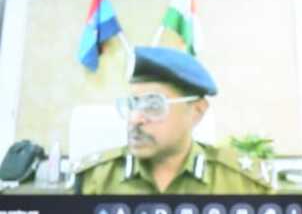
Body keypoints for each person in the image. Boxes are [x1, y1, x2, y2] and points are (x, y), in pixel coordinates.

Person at [77, 46, 272, 195]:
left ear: (197, 111)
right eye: (132, 104)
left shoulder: (240, 184)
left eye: (153, 105)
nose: (135, 119)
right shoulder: (94, 180)